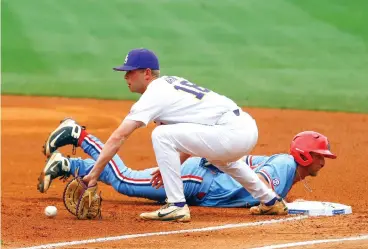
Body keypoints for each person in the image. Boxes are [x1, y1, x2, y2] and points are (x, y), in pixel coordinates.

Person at [42, 48, 286, 222]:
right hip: (240, 129)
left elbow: (118, 136)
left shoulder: (154, 93)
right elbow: (196, 134)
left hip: (231, 132)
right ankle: (270, 201)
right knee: (224, 160)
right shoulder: (170, 84)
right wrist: (174, 163)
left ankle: (177, 206)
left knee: (162, 135)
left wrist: (92, 176)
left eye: (130, 72)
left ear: (147, 73)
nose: (125, 76)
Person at [39, 120, 336, 210]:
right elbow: (262, 182)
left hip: (200, 179)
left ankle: (68, 165)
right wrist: (270, 201)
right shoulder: (284, 166)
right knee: (125, 180)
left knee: (127, 179)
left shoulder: (286, 168)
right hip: (195, 179)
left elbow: (243, 166)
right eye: (321, 155)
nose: (324, 161)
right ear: (306, 156)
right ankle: (79, 134)